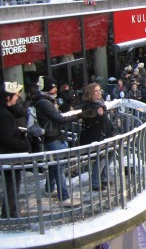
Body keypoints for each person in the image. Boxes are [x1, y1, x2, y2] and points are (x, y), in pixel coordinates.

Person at [30, 76, 91, 207]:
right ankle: (64, 197)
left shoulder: (41, 101)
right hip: (53, 138)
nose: (56, 89)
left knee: (54, 165)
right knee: (59, 166)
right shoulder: (45, 103)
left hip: (51, 137)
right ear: (47, 89)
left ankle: (49, 188)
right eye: (53, 87)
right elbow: (60, 119)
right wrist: (79, 115)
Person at [0, 81, 30, 218]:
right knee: (11, 185)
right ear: (8, 98)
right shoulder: (4, 115)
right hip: (9, 156)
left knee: (12, 185)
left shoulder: (6, 111)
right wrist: (23, 144)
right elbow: (6, 138)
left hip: (10, 156)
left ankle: (10, 211)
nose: (18, 98)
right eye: (16, 96)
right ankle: (10, 213)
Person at [80, 83, 113, 192]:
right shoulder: (88, 106)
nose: (99, 92)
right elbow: (91, 121)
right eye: (96, 91)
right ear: (90, 93)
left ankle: (103, 178)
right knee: (101, 158)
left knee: (108, 155)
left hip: (104, 135)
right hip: (94, 136)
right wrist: (100, 115)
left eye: (100, 90)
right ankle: (95, 183)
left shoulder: (100, 103)